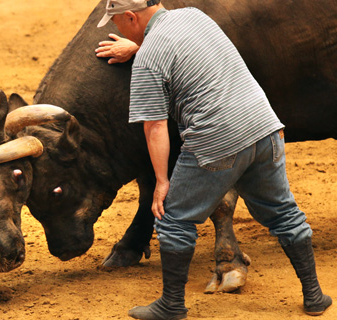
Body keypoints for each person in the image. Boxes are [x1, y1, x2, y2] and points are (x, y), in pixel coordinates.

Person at [95, 0, 332, 319]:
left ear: (130, 17)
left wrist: (162, 182)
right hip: (264, 127)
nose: (115, 28)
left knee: (174, 219)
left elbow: (154, 127)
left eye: (116, 22)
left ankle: (171, 305)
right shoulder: (193, 17)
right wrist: (139, 46)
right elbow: (190, 53)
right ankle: (314, 296)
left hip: (217, 140)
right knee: (283, 213)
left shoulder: (148, 60)